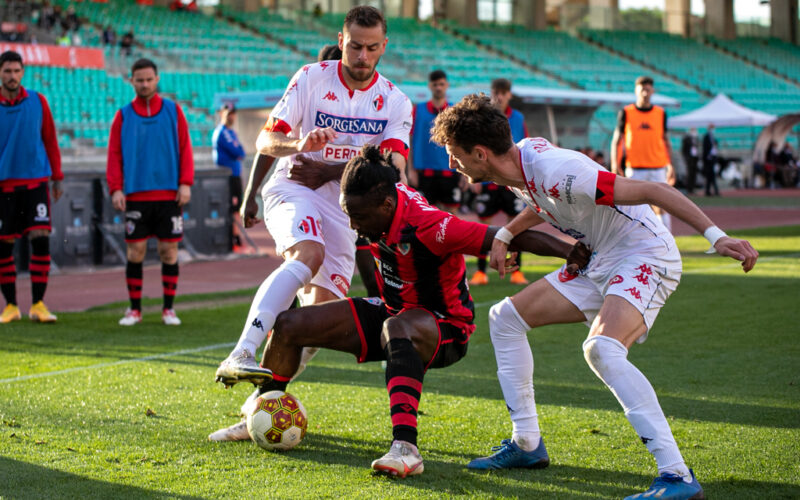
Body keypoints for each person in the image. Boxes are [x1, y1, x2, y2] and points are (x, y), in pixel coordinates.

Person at [431, 94, 758, 500]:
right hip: (601, 259)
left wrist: (717, 236)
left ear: (480, 153)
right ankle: (527, 444)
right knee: (505, 317)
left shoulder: (560, 171)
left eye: (455, 155)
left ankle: (677, 476)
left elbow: (655, 190)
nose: (451, 164)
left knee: (602, 349)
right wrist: (505, 232)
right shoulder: (519, 164)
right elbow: (543, 201)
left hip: (644, 253)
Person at [220, 144, 590, 476]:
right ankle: (261, 411)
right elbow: (368, 254)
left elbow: (510, 236)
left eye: (358, 217)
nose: (353, 225)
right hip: (393, 311)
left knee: (397, 327)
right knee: (289, 324)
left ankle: (406, 449)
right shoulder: (377, 205)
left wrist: (567, 251)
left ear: (386, 206)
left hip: (445, 328)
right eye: (348, 215)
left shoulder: (430, 226)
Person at [210, 6, 414, 441]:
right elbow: (266, 139)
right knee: (309, 252)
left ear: (384, 47)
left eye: (372, 48)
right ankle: (243, 350)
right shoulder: (311, 78)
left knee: (315, 322)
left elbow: (394, 166)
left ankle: (257, 409)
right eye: (355, 46)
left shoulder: (396, 102)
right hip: (294, 187)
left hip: (344, 209)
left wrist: (380, 188)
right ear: (341, 40)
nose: (362, 56)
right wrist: (298, 144)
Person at [106, 58, 194, 326]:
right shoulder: (122, 115)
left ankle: (168, 309)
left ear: (157, 79)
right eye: (139, 80)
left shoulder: (173, 111)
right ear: (131, 81)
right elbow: (114, 155)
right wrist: (116, 188)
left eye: (148, 79)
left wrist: (185, 182)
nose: (144, 84)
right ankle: (135, 310)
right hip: (135, 196)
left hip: (169, 195)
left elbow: (185, 148)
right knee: (136, 254)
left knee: (169, 252)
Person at [0, 50, 63, 324]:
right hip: (4, 185)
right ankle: (11, 306)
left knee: (41, 240)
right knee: (4, 246)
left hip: (36, 181)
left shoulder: (38, 101)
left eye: (16, 71)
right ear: (0, 74)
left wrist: (57, 176)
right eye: (7, 71)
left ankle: (38, 304)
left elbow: (50, 139)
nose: (12, 76)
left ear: (23, 72)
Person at [470, 78, 529, 287]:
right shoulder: (483, 117)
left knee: (516, 225)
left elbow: (524, 149)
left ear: (509, 95)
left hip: (511, 181)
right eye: (496, 91)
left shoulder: (518, 118)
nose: (500, 96)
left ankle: (516, 271)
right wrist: (474, 176)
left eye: (504, 92)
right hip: (487, 180)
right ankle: (480, 272)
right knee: (483, 226)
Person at [611, 76, 675, 231]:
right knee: (631, 206)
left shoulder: (660, 113)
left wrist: (670, 165)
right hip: (635, 168)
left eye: (648, 90)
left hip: (658, 167)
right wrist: (614, 164)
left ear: (652, 91)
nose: (645, 93)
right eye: (642, 90)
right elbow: (616, 140)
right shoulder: (626, 112)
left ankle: (666, 239)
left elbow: (666, 140)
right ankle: (631, 239)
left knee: (662, 205)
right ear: (636, 91)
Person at [408, 70, 461, 212]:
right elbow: (411, 141)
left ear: (447, 85)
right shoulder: (417, 110)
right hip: (424, 172)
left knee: (452, 215)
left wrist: (463, 172)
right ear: (430, 86)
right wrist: (411, 170)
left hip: (449, 170)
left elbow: (461, 143)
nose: (438, 87)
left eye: (441, 84)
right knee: (424, 214)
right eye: (435, 84)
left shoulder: (454, 111)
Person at [212, 103, 247, 251]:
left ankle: (235, 235)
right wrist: (238, 151)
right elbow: (238, 152)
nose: (231, 116)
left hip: (234, 175)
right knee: (231, 207)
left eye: (233, 113)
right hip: (228, 177)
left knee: (236, 207)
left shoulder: (231, 132)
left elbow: (241, 151)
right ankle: (232, 237)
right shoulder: (223, 132)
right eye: (228, 113)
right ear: (221, 114)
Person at [681, 128, 700, 195]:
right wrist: (686, 159)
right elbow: (683, 150)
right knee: (689, 174)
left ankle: (692, 189)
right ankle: (688, 189)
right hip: (689, 159)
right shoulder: (687, 139)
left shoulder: (696, 139)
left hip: (695, 158)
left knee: (694, 174)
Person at [702, 125, 719, 196]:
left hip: (713, 159)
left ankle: (709, 191)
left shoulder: (713, 137)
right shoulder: (706, 137)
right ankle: (714, 191)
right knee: (710, 176)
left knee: (711, 176)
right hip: (708, 160)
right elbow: (705, 148)